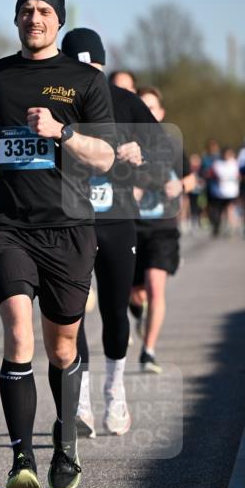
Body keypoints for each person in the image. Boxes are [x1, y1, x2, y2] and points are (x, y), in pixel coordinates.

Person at [0, 0, 115, 488]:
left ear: (59, 19)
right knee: (19, 335)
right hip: (6, 226)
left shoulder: (85, 81)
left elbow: (106, 156)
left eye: (45, 10)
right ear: (16, 17)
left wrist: (63, 132)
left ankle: (65, 441)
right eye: (27, 9)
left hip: (69, 228)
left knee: (63, 348)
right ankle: (20, 457)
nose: (35, 18)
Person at [61, 28, 166, 437]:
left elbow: (163, 158)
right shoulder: (57, 105)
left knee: (114, 309)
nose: (86, 74)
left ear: (102, 66)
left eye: (92, 67)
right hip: (70, 223)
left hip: (118, 220)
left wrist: (140, 157)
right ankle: (83, 399)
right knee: (71, 315)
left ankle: (115, 388)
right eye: (77, 67)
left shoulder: (126, 103)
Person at [130, 86, 194, 373]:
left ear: (161, 112)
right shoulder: (125, 143)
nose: (148, 113)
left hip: (163, 227)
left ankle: (148, 351)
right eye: (142, 107)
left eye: (152, 108)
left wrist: (179, 185)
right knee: (135, 292)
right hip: (131, 227)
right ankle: (137, 310)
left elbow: (192, 179)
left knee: (156, 286)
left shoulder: (172, 143)